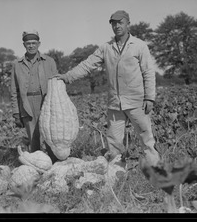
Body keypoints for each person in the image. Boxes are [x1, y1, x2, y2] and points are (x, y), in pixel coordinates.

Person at [54, 10, 160, 166]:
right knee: (114, 141)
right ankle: (117, 172)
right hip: (115, 103)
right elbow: (87, 65)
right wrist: (68, 76)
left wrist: (149, 97)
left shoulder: (139, 46)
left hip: (136, 101)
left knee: (146, 137)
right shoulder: (106, 48)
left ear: (128, 24)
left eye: (120, 22)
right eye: (114, 23)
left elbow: (149, 73)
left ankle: (155, 168)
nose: (117, 26)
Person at [10, 30, 59, 162]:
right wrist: (16, 113)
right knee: (33, 138)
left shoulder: (49, 61)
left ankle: (55, 164)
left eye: (34, 43)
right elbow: (14, 91)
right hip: (27, 104)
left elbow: (57, 85)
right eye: (28, 43)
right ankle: (38, 168)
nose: (31, 46)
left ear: (39, 44)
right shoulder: (17, 65)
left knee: (51, 136)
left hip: (46, 102)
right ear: (24, 45)